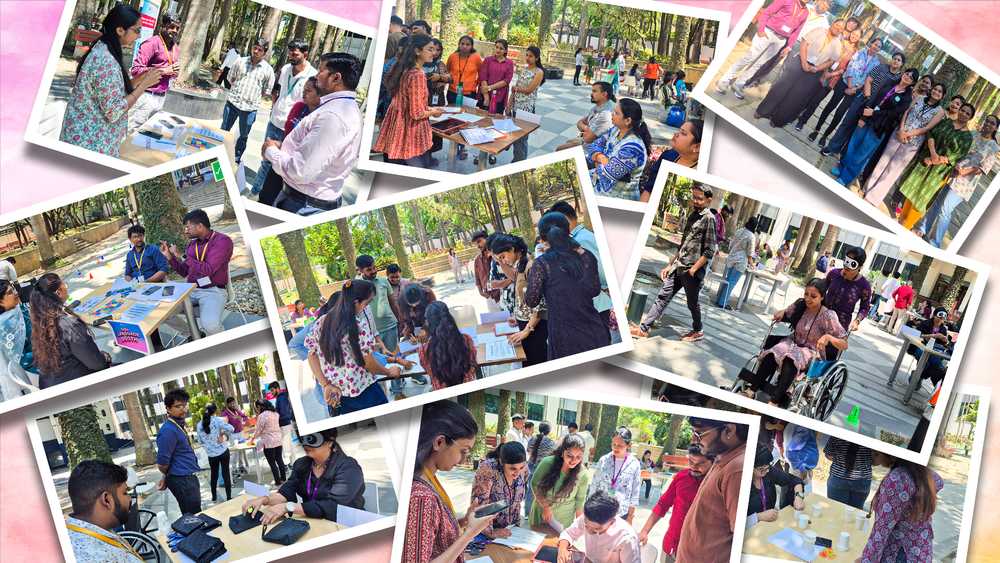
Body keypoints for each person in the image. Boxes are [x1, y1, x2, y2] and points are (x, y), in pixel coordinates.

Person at [265, 53, 365, 214]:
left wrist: (270, 151)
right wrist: (284, 148)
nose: (316, 76)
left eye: (320, 71)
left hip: (303, 204)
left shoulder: (334, 116)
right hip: (302, 200)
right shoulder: (337, 108)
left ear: (336, 78)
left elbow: (300, 171)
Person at [59, 5, 164, 157]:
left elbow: (114, 90)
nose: (139, 36)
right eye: (137, 30)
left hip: (94, 139)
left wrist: (140, 79)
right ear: (120, 30)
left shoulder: (107, 48)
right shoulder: (105, 59)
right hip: (88, 144)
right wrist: (144, 86)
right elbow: (114, 111)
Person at [403, 400, 498, 561]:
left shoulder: (428, 478)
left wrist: (465, 520)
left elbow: (436, 534)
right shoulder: (421, 497)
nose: (462, 460)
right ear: (439, 442)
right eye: (463, 451)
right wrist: (469, 534)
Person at [742, 278, 848, 407]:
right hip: (793, 342)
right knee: (774, 352)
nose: (808, 299)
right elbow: (787, 312)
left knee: (790, 359)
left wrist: (829, 338)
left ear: (822, 297)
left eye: (813, 296)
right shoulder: (800, 304)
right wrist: (781, 312)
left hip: (812, 351)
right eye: (806, 294)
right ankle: (752, 390)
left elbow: (844, 343)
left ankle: (774, 401)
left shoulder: (828, 316)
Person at [632, 183, 717, 342]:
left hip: (692, 271)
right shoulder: (693, 215)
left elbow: (710, 250)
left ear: (708, 200)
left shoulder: (709, 219)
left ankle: (698, 330)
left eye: (699, 199)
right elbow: (683, 244)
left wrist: (694, 269)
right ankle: (644, 329)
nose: (696, 201)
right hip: (679, 267)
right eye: (694, 197)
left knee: (692, 304)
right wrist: (670, 264)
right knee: (663, 296)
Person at [305, 279, 403, 416]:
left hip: (338, 395)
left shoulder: (321, 321)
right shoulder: (358, 326)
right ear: (356, 302)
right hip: (365, 392)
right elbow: (368, 363)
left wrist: (325, 384)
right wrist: (389, 372)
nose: (366, 308)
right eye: (367, 303)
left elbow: (312, 355)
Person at [525, 212, 610, 359]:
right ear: (568, 232)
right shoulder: (586, 256)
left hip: (564, 337)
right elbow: (594, 290)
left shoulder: (542, 264)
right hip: (593, 331)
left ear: (543, 239)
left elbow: (531, 300)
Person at [242, 428, 365, 524]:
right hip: (314, 522)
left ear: (330, 441)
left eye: (312, 438)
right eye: (302, 438)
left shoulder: (348, 468)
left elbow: (332, 506)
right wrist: (264, 499)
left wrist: (288, 507)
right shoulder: (302, 464)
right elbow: (285, 492)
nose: (305, 443)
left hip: (344, 524)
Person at [915, 114, 999, 247]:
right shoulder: (972, 134)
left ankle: (935, 242)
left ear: (995, 128)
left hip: (964, 184)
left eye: (992, 123)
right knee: (937, 203)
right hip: (951, 174)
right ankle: (921, 229)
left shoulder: (994, 147)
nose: (988, 124)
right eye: (987, 121)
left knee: (945, 209)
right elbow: (958, 151)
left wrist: (964, 172)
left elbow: (983, 169)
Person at [249, 39, 316, 197]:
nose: (291, 55)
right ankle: (255, 192)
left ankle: (268, 196)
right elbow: (278, 89)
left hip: (291, 128)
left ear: (305, 54)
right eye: (290, 51)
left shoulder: (311, 76)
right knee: (266, 157)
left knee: (280, 163)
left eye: (295, 52)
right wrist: (275, 104)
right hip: (274, 121)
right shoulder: (286, 68)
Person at [674, 418, 747, 562]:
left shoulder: (736, 469)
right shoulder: (722, 457)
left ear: (729, 430)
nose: (694, 440)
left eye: (699, 433)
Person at [896, 103, 977, 230]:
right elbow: (931, 134)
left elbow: (956, 156)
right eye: (963, 110)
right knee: (911, 191)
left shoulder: (967, 137)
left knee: (922, 198)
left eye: (968, 113)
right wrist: (933, 153)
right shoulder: (946, 122)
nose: (964, 114)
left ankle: (906, 226)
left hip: (939, 171)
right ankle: (900, 221)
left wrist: (935, 161)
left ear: (970, 118)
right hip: (926, 160)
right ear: (959, 110)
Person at [832, 68, 918, 186]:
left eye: (911, 77)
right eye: (907, 73)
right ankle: (841, 167)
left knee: (862, 153)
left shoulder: (906, 98)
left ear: (913, 83)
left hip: (879, 127)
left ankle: (846, 177)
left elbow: (893, 114)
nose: (907, 76)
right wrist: (863, 117)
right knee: (853, 144)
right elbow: (874, 98)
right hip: (867, 118)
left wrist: (874, 113)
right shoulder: (889, 82)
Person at [753, 19, 845, 128]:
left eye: (841, 28)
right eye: (837, 24)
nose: (838, 28)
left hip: (814, 71)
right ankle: (763, 111)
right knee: (781, 87)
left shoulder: (838, 44)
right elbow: (804, 44)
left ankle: (778, 119)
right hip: (800, 61)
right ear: (833, 23)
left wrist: (817, 68)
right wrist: (804, 62)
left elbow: (831, 61)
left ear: (842, 31)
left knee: (795, 97)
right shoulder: (819, 30)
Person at [30, 273, 111, 389]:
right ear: (58, 292)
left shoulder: (40, 324)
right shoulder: (69, 325)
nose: (66, 287)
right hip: (74, 389)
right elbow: (97, 364)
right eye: (65, 284)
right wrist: (105, 357)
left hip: (51, 386)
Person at [714, 0, 809, 100]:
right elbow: (767, 12)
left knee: (760, 63)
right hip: (768, 33)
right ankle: (725, 79)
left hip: (780, 40)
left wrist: (789, 46)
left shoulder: (805, 12)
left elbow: (796, 31)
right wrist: (761, 30)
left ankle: (739, 83)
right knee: (749, 57)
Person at [161, 209, 234, 336]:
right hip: (191, 290)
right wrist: (170, 257)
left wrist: (182, 256)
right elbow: (185, 272)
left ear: (200, 226)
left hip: (213, 290)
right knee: (162, 313)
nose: (185, 230)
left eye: (188, 227)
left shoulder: (222, 241)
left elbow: (208, 270)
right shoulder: (192, 245)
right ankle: (193, 334)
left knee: (211, 326)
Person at [375, 34, 444, 168]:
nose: (434, 53)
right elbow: (416, 113)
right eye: (429, 49)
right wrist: (434, 112)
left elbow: (409, 102)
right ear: (417, 51)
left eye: (435, 49)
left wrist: (429, 109)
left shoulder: (404, 69)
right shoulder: (417, 74)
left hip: (397, 126)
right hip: (409, 131)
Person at [860, 452, 943, 562]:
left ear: (892, 454)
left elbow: (881, 532)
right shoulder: (921, 472)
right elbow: (939, 481)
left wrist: (866, 560)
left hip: (901, 553)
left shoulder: (897, 480)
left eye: (876, 454)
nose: (872, 456)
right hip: (922, 550)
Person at [822, 51, 907, 157]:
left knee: (857, 130)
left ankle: (843, 154)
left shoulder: (898, 78)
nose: (896, 61)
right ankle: (832, 148)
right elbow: (868, 80)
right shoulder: (881, 67)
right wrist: (868, 97)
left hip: (875, 109)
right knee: (847, 123)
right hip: (863, 99)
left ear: (902, 64)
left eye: (899, 60)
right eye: (895, 58)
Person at [638, 446, 713, 563]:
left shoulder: (717, 485)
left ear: (713, 462)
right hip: (671, 546)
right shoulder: (681, 477)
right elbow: (662, 504)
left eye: (701, 463)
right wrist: (645, 531)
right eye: (691, 461)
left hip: (697, 554)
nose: (694, 467)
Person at [805, 37, 882, 145]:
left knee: (840, 113)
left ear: (879, 49)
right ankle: (816, 130)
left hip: (856, 90)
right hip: (844, 83)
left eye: (879, 46)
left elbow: (868, 78)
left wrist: (855, 88)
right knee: (830, 106)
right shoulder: (859, 52)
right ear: (871, 44)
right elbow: (850, 66)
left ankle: (825, 136)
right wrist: (850, 85)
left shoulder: (877, 63)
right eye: (875, 44)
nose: (876, 47)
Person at [65, 460, 143, 562]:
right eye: (125, 493)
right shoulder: (97, 557)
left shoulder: (90, 530)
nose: (129, 498)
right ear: (107, 500)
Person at [491, 234, 548, 366]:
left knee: (537, 362)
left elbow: (541, 305)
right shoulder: (521, 265)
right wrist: (517, 316)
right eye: (499, 259)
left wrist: (527, 330)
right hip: (526, 324)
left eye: (503, 256)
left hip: (534, 326)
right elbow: (522, 293)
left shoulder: (531, 266)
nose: (503, 261)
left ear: (512, 249)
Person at [585, 98, 652, 200]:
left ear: (628, 120)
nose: (612, 114)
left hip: (616, 198)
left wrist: (597, 157)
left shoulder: (633, 147)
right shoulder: (616, 130)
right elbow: (593, 146)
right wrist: (601, 157)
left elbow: (607, 175)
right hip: (599, 187)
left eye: (616, 113)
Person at [222, 38, 276, 163]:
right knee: (224, 130)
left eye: (260, 50)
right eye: (255, 48)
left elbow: (266, 91)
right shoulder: (240, 61)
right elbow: (230, 78)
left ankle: (236, 158)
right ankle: (217, 151)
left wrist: (252, 97)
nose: (256, 51)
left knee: (243, 135)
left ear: (265, 52)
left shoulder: (268, 70)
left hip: (249, 109)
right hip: (232, 103)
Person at [127, 12, 181, 133]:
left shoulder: (175, 47)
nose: (175, 30)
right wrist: (163, 71)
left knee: (147, 135)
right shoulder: (151, 43)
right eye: (172, 26)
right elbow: (136, 70)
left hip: (161, 98)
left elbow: (170, 71)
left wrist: (174, 72)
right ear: (163, 26)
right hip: (145, 96)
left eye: (178, 28)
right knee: (132, 133)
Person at [558, 490, 641, 563]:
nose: (589, 531)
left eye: (596, 529)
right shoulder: (588, 517)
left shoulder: (627, 538)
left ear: (612, 521)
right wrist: (562, 549)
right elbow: (568, 533)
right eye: (586, 526)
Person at [530, 433, 591, 531]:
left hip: (563, 523)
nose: (573, 461)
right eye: (570, 456)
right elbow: (534, 485)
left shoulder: (583, 474)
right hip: (541, 516)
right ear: (562, 453)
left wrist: (579, 529)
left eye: (578, 457)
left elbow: (580, 503)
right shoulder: (547, 463)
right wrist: (546, 507)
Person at [155, 389, 201, 514]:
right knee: (193, 516)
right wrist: (169, 475)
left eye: (185, 405)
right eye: (178, 406)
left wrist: (167, 475)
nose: (183, 409)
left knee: (193, 513)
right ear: (168, 409)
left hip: (187, 477)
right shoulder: (168, 430)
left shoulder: (178, 425)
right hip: (182, 480)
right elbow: (162, 464)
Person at [470, 442, 528, 538]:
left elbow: (518, 498)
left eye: (521, 467)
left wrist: (516, 526)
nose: (517, 473)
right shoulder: (488, 469)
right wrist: (491, 532)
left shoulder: (525, 469)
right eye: (512, 468)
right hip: (486, 531)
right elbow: (480, 505)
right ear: (501, 462)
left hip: (511, 530)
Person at [588, 427, 642, 523]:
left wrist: (630, 517)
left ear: (628, 445)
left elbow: (635, 491)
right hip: (601, 509)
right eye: (614, 444)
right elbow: (594, 485)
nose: (615, 448)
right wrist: (589, 508)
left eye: (620, 445)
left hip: (621, 514)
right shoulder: (603, 460)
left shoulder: (634, 464)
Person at [419, 301, 477, 390]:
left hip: (443, 394)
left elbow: (428, 370)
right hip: (467, 388)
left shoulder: (423, 350)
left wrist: (427, 340)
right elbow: (472, 362)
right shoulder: (466, 340)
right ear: (449, 317)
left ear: (429, 323)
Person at [746, 445, 805, 528]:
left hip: (771, 525)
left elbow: (794, 480)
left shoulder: (769, 472)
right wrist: (758, 517)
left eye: (768, 467)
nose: (766, 471)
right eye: (761, 469)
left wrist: (799, 496)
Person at [509, 46, 545, 162]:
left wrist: (516, 89)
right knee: (515, 135)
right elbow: (515, 88)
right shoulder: (524, 70)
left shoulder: (539, 72)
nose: (528, 58)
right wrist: (509, 103)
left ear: (537, 58)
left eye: (531, 56)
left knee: (522, 137)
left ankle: (520, 162)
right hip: (516, 106)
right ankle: (516, 159)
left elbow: (529, 90)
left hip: (526, 109)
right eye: (527, 55)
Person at [824, 245, 872, 331]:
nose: (846, 267)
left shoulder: (864, 286)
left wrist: (857, 321)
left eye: (852, 264)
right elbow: (821, 290)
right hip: (822, 317)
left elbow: (865, 307)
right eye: (846, 262)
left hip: (840, 324)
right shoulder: (833, 274)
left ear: (860, 267)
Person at [556, 82, 615, 151]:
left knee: (560, 149)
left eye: (594, 91)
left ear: (604, 94)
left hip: (593, 149)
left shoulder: (605, 114)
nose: (591, 94)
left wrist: (584, 128)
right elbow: (580, 122)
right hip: (586, 140)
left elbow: (588, 139)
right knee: (567, 143)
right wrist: (587, 128)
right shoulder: (599, 106)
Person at [0, 280, 33, 400]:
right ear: (1, 302)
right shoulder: (4, 325)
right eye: (9, 292)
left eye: (13, 289)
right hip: (17, 376)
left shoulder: (18, 311)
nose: (15, 293)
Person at [195, 403, 235, 502]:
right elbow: (232, 429)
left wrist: (209, 445)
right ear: (215, 411)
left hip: (211, 455)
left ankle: (214, 497)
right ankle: (229, 497)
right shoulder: (217, 420)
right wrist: (223, 434)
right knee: (226, 474)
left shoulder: (199, 425)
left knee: (214, 475)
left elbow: (200, 442)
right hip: (223, 451)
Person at [716, 216, 757, 310]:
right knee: (731, 282)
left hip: (732, 258)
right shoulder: (751, 236)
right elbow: (750, 253)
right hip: (741, 262)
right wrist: (752, 264)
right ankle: (722, 302)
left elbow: (731, 244)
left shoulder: (739, 231)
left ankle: (720, 300)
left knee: (727, 280)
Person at [823, 436, 872, 510]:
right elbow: (876, 461)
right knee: (855, 514)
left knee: (836, 511)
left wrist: (840, 461)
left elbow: (828, 454)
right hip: (862, 480)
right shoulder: (870, 436)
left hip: (838, 477)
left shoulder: (839, 432)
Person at [252, 398, 286, 485]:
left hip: (269, 442)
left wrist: (252, 438)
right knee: (279, 460)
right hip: (278, 440)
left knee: (272, 463)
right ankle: (283, 478)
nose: (257, 409)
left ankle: (278, 482)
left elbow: (258, 430)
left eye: (257, 407)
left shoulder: (262, 416)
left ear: (259, 406)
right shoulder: (275, 414)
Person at [525, 421, 557, 512]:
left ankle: (527, 512)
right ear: (549, 431)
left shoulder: (532, 439)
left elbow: (529, 451)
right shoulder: (550, 442)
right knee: (541, 491)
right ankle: (538, 511)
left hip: (531, 466)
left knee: (530, 490)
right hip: (543, 468)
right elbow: (553, 455)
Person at [479, 39, 516, 117]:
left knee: (496, 120)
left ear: (505, 51)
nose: (498, 50)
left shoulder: (509, 63)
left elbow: (506, 80)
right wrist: (486, 96)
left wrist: (490, 88)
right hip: (485, 95)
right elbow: (483, 77)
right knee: (482, 120)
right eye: (497, 47)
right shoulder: (488, 60)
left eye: (501, 48)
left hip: (500, 97)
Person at [472, 231, 502, 311]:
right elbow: (477, 278)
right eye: (475, 244)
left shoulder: (498, 255)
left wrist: (493, 255)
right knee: (494, 321)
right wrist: (481, 292)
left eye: (479, 241)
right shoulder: (477, 260)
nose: (478, 246)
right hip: (489, 297)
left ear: (487, 239)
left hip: (502, 294)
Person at [267, 381, 295, 467]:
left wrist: (275, 418)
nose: (271, 393)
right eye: (270, 391)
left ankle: (290, 464)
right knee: (289, 444)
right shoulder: (280, 397)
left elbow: (284, 413)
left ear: (277, 388)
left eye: (272, 390)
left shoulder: (281, 398)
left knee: (286, 446)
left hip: (285, 424)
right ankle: (293, 463)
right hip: (285, 424)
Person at [221, 396, 250, 474]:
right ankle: (234, 469)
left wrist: (242, 419)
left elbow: (245, 417)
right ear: (228, 404)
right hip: (232, 435)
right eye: (231, 403)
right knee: (235, 452)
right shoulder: (225, 413)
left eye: (234, 403)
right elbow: (223, 424)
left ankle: (241, 466)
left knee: (241, 451)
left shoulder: (237, 410)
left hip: (240, 432)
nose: (233, 405)